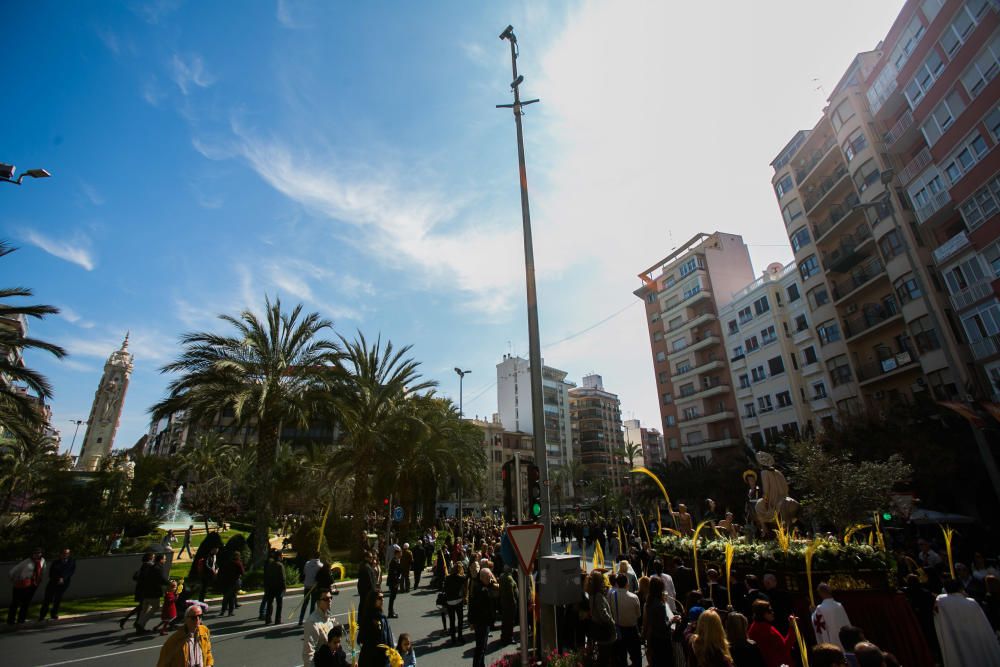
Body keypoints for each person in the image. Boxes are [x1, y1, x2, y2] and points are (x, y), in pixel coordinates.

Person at [934, 577, 1000, 666]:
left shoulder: (941, 601)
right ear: (961, 588)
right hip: (973, 635)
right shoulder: (971, 602)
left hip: (955, 635)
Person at [156, 602, 214, 667]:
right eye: (193, 617)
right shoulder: (174, 640)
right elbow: (163, 663)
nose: (197, 620)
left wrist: (209, 664)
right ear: (186, 619)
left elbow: (208, 652)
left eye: (200, 616)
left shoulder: (204, 631)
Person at [746, 599, 794, 667]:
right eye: (770, 611)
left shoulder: (753, 627)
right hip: (780, 664)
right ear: (763, 613)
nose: (772, 612)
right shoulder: (767, 629)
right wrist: (792, 628)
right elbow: (784, 647)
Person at [643, 575, 679, 666]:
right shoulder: (660, 605)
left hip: (653, 637)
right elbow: (663, 626)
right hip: (662, 639)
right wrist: (673, 620)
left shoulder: (648, 602)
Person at [609, 572, 642, 666]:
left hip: (619, 629)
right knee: (636, 658)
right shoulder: (634, 597)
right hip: (632, 630)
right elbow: (638, 615)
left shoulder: (612, 595)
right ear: (627, 583)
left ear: (617, 583)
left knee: (621, 658)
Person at [7, 546, 45, 626]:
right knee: (15, 603)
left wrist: (39, 579)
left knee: (26, 603)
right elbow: (12, 571)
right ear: (32, 554)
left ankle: (21, 619)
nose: (37, 555)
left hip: (33, 585)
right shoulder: (26, 562)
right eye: (35, 553)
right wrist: (15, 580)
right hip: (22, 584)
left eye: (39, 553)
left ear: (41, 554)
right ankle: (11, 620)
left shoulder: (42, 561)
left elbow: (42, 570)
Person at [469, 568, 498, 667]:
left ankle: (481, 664)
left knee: (483, 647)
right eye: (488, 577)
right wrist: (472, 621)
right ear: (482, 578)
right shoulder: (480, 589)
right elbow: (473, 606)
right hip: (481, 622)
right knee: (480, 648)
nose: (490, 579)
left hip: (483, 621)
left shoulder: (482, 585)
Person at [358, 590, 393, 667]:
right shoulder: (367, 618)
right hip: (370, 660)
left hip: (383, 659)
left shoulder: (382, 617)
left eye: (383, 598)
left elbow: (389, 637)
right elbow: (360, 639)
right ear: (373, 600)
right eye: (379, 598)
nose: (382, 600)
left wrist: (392, 652)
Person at [38, 547, 75, 621]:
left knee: (57, 599)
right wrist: (58, 578)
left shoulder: (71, 562)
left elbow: (70, 572)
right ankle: (42, 615)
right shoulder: (56, 562)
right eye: (64, 553)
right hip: (53, 583)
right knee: (47, 599)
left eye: (67, 553)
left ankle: (54, 614)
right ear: (61, 554)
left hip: (63, 584)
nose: (65, 555)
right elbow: (51, 573)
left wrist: (63, 578)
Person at [811, 582, 851, 649]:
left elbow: (817, 624)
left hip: (831, 643)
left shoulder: (820, 608)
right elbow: (847, 623)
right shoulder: (839, 605)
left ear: (820, 593)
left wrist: (812, 613)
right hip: (844, 640)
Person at [136, 553, 169, 633]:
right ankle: (140, 624)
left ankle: (140, 627)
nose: (165, 560)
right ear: (161, 560)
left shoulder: (151, 567)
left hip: (145, 592)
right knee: (155, 607)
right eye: (164, 559)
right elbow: (162, 580)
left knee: (144, 609)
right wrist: (170, 583)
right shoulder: (159, 568)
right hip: (153, 593)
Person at [303, 589, 337, 666]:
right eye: (325, 599)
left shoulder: (328, 616)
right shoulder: (312, 623)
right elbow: (309, 653)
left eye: (330, 598)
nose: (329, 601)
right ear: (318, 602)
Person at [444, 561, 467, 645]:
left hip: (449, 601)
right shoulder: (460, 578)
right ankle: (460, 636)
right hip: (458, 600)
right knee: (460, 620)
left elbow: (445, 589)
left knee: (452, 620)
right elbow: (466, 579)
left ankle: (453, 638)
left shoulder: (448, 577)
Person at [300, 552, 324, 626]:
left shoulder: (307, 563)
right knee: (313, 604)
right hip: (314, 587)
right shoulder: (320, 565)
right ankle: (310, 621)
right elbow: (321, 576)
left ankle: (300, 619)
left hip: (307, 585)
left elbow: (305, 572)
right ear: (319, 557)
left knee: (305, 603)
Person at [263, 550, 286, 625]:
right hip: (278, 588)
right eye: (281, 555)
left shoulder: (270, 564)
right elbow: (283, 578)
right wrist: (284, 587)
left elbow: (266, 576)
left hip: (270, 587)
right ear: (279, 556)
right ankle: (277, 620)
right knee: (279, 604)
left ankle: (268, 619)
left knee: (270, 603)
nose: (282, 557)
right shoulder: (280, 565)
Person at [218, 551, 244, 617]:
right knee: (232, 597)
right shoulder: (238, 563)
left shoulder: (227, 562)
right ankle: (230, 612)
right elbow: (242, 572)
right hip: (234, 582)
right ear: (238, 556)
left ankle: (223, 611)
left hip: (226, 582)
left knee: (226, 597)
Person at [499, 565, 519, 645]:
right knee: (510, 622)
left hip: (504, 602)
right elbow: (511, 593)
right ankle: (509, 638)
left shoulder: (502, 576)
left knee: (505, 621)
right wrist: (514, 603)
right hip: (510, 604)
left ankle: (504, 636)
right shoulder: (509, 578)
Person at [386, 546, 402, 618]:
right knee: (392, 598)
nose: (400, 554)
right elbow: (394, 574)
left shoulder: (396, 561)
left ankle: (391, 611)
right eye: (400, 553)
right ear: (397, 554)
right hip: (393, 582)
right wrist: (396, 582)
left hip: (394, 582)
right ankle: (390, 613)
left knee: (392, 598)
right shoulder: (394, 562)